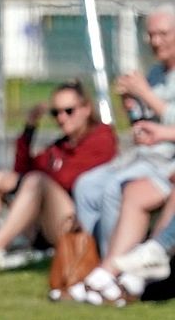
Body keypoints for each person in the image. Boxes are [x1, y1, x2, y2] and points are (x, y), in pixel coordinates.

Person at [0, 80, 117, 276]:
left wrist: (20, 180)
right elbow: (23, 168)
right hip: (53, 219)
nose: (61, 118)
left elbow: (68, 178)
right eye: (55, 112)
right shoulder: (61, 146)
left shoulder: (102, 139)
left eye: (68, 111)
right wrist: (29, 130)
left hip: (80, 227)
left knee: (35, 182)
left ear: (85, 109)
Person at [72, 4, 175, 258]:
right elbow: (146, 124)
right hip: (144, 155)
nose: (155, 41)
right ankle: (86, 260)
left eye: (163, 34)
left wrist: (145, 94)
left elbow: (166, 118)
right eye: (151, 35)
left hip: (165, 161)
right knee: (86, 185)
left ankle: (111, 268)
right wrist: (131, 105)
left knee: (114, 188)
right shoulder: (155, 73)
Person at [69, 120, 175, 305]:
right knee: (94, 186)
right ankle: (112, 271)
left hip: (163, 162)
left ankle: (150, 255)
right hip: (157, 160)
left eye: (69, 111)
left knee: (115, 188)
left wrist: (141, 91)